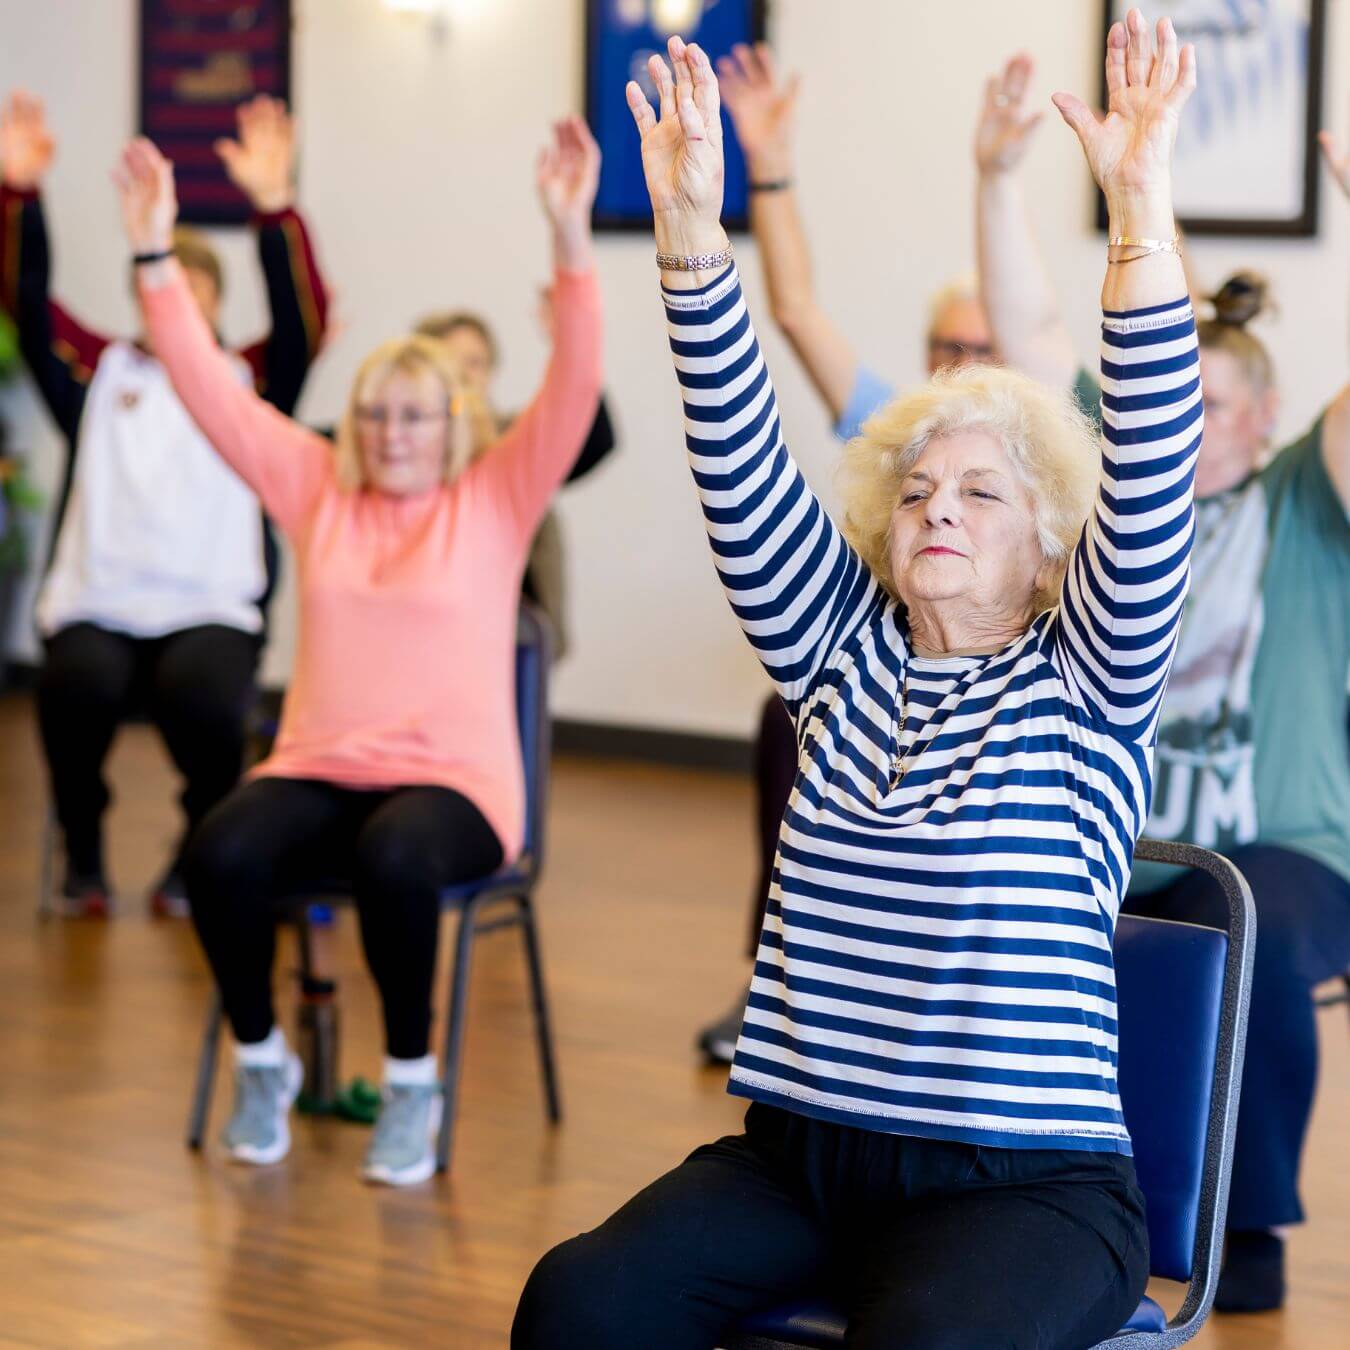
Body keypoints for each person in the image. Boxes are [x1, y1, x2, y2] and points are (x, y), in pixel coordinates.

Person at [515, 14, 1200, 1347]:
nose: (937, 507)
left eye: (981, 492)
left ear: (1052, 541)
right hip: (798, 1159)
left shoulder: (1088, 680)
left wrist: (1137, 221)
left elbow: (1155, 460)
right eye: (917, 489)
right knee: (577, 1301)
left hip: (1028, 1187)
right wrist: (688, 237)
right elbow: (733, 444)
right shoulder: (837, 653)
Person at [112, 116, 602, 1186]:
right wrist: (155, 256)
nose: (389, 433)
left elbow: (574, 388)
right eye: (373, 414)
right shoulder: (316, 486)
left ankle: (413, 1085)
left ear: (455, 425)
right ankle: (261, 1059)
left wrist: (570, 234)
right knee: (220, 852)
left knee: (397, 858)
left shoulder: (495, 498)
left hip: (456, 787)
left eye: (414, 416)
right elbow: (207, 389)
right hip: (323, 766)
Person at [975, 52, 1350, 1314]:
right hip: (1125, 827)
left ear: (1262, 417)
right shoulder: (1115, 497)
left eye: (1222, 401)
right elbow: (1029, 342)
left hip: (1283, 842)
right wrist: (997, 174)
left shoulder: (1303, 498)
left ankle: (1243, 1224)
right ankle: (1039, 1185)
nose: (1197, 420)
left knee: (1252, 926)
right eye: (1180, 396)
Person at [696, 42, 1000, 1062]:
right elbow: (791, 308)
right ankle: (778, 984)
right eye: (948, 348)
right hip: (871, 696)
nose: (964, 365)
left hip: (990, 723)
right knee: (787, 723)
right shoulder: (895, 426)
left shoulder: (1050, 466)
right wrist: (766, 164)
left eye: (984, 347)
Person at [0, 91, 328, 917]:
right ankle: (84, 854)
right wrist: (17, 192)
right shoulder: (96, 373)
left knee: (210, 705)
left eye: (193, 295)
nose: (174, 308)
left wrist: (274, 207)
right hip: (100, 603)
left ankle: (195, 851)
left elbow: (301, 326)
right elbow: (26, 303)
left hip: (208, 607)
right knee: (70, 691)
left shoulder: (249, 383)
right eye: (160, 291)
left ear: (212, 310)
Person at [413, 295, 618, 660]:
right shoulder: (398, 449)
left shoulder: (517, 439)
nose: (463, 374)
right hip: (425, 628)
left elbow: (596, 439)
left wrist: (571, 345)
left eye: (475, 362)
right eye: (450, 362)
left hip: (515, 634)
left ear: (491, 371)